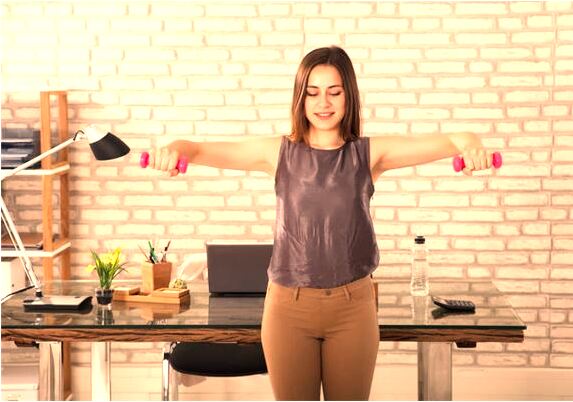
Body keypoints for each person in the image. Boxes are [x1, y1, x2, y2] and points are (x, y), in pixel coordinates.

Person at [148, 46, 493, 400]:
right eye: (312, 92)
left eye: (334, 92)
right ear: (300, 98)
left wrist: (472, 146)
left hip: (353, 307)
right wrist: (174, 150)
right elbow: (197, 149)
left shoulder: (368, 154)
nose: (323, 103)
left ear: (348, 95)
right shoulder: (278, 152)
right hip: (287, 308)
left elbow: (455, 140)